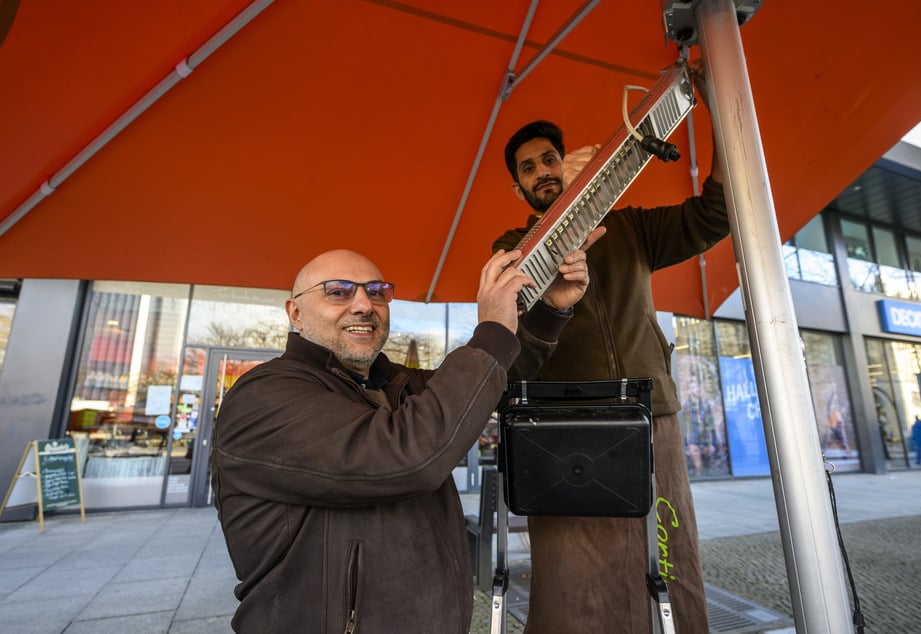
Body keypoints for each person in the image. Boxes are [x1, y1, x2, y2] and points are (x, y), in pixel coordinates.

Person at [211, 241, 598, 633]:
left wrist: (550, 312)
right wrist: (492, 327)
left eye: (377, 291)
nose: (364, 304)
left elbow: (489, 384)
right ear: (295, 311)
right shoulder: (262, 396)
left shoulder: (398, 383)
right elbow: (409, 456)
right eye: (338, 291)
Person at [492, 59, 728, 632]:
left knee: (669, 556)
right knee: (574, 571)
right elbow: (517, 291)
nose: (543, 171)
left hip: (651, 410)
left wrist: (719, 112)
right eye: (529, 168)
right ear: (518, 185)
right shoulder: (510, 243)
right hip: (558, 421)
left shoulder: (633, 229)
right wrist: (567, 209)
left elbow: (715, 214)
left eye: (551, 159)